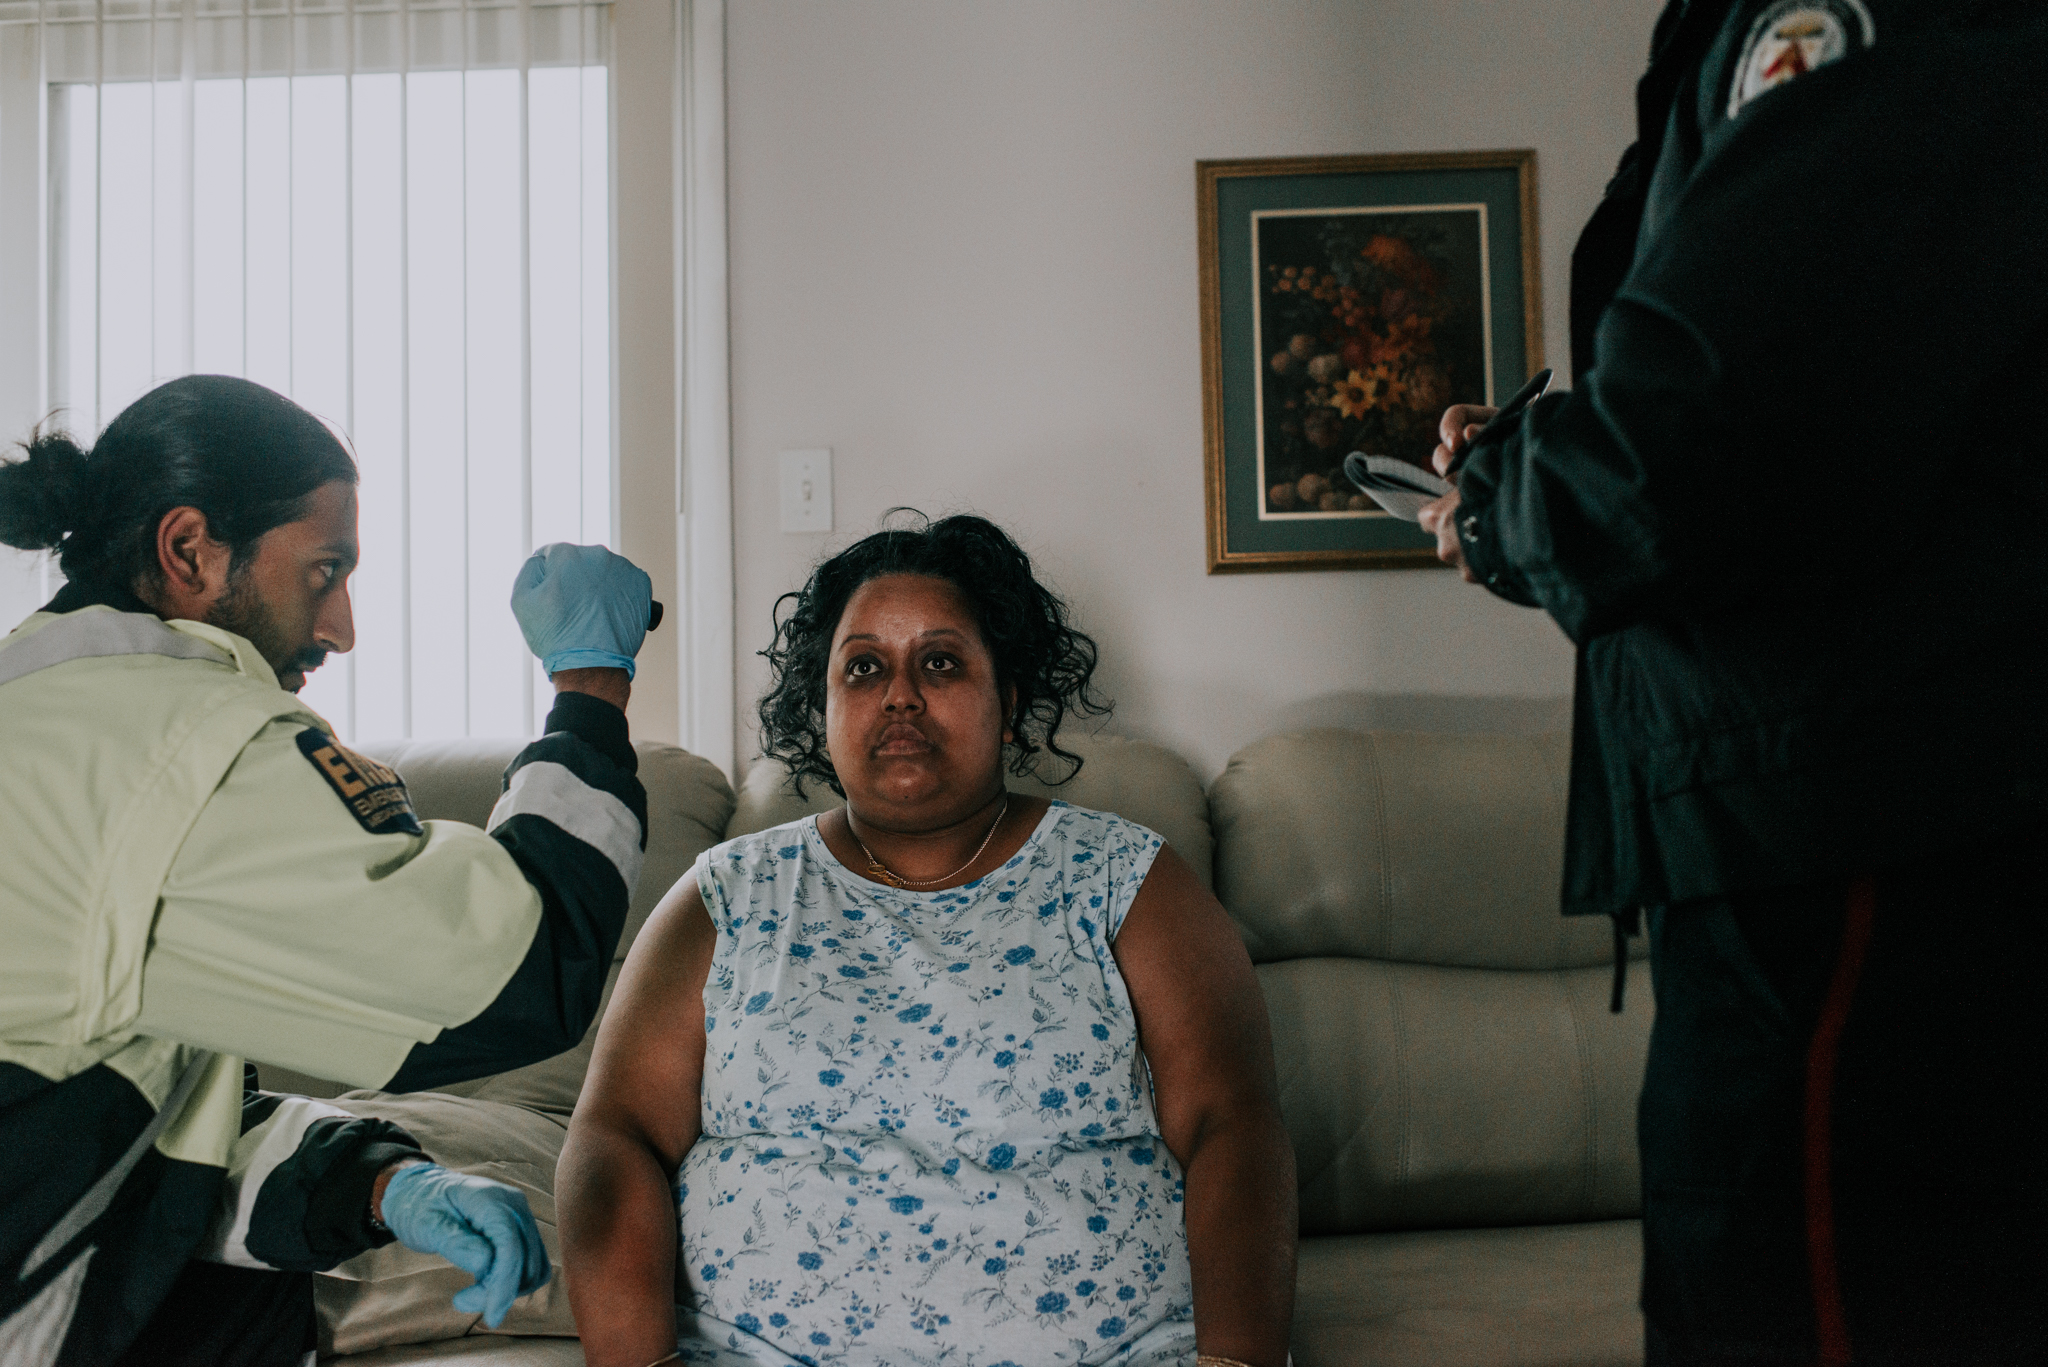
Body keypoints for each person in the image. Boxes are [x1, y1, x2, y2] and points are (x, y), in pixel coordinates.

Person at [1411, 3, 2048, 1363]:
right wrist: (1537, 465)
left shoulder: (1851, 22)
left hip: (1846, 827)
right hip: (1841, 809)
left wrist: (1499, 507)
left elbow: (1691, 454)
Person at [0, 375, 658, 1366]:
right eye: (324, 570)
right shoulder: (182, 749)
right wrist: (590, 689)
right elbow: (525, 969)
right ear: (189, 549)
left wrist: (380, 1183)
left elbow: (131, 1123)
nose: (341, 626)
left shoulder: (40, 710)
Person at [558, 514, 1296, 1367]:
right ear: (824, 708)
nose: (900, 695)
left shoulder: (1127, 882)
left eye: (940, 662)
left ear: (1008, 702)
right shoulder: (725, 897)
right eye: (864, 667)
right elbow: (614, 1138)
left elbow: (1234, 1126)